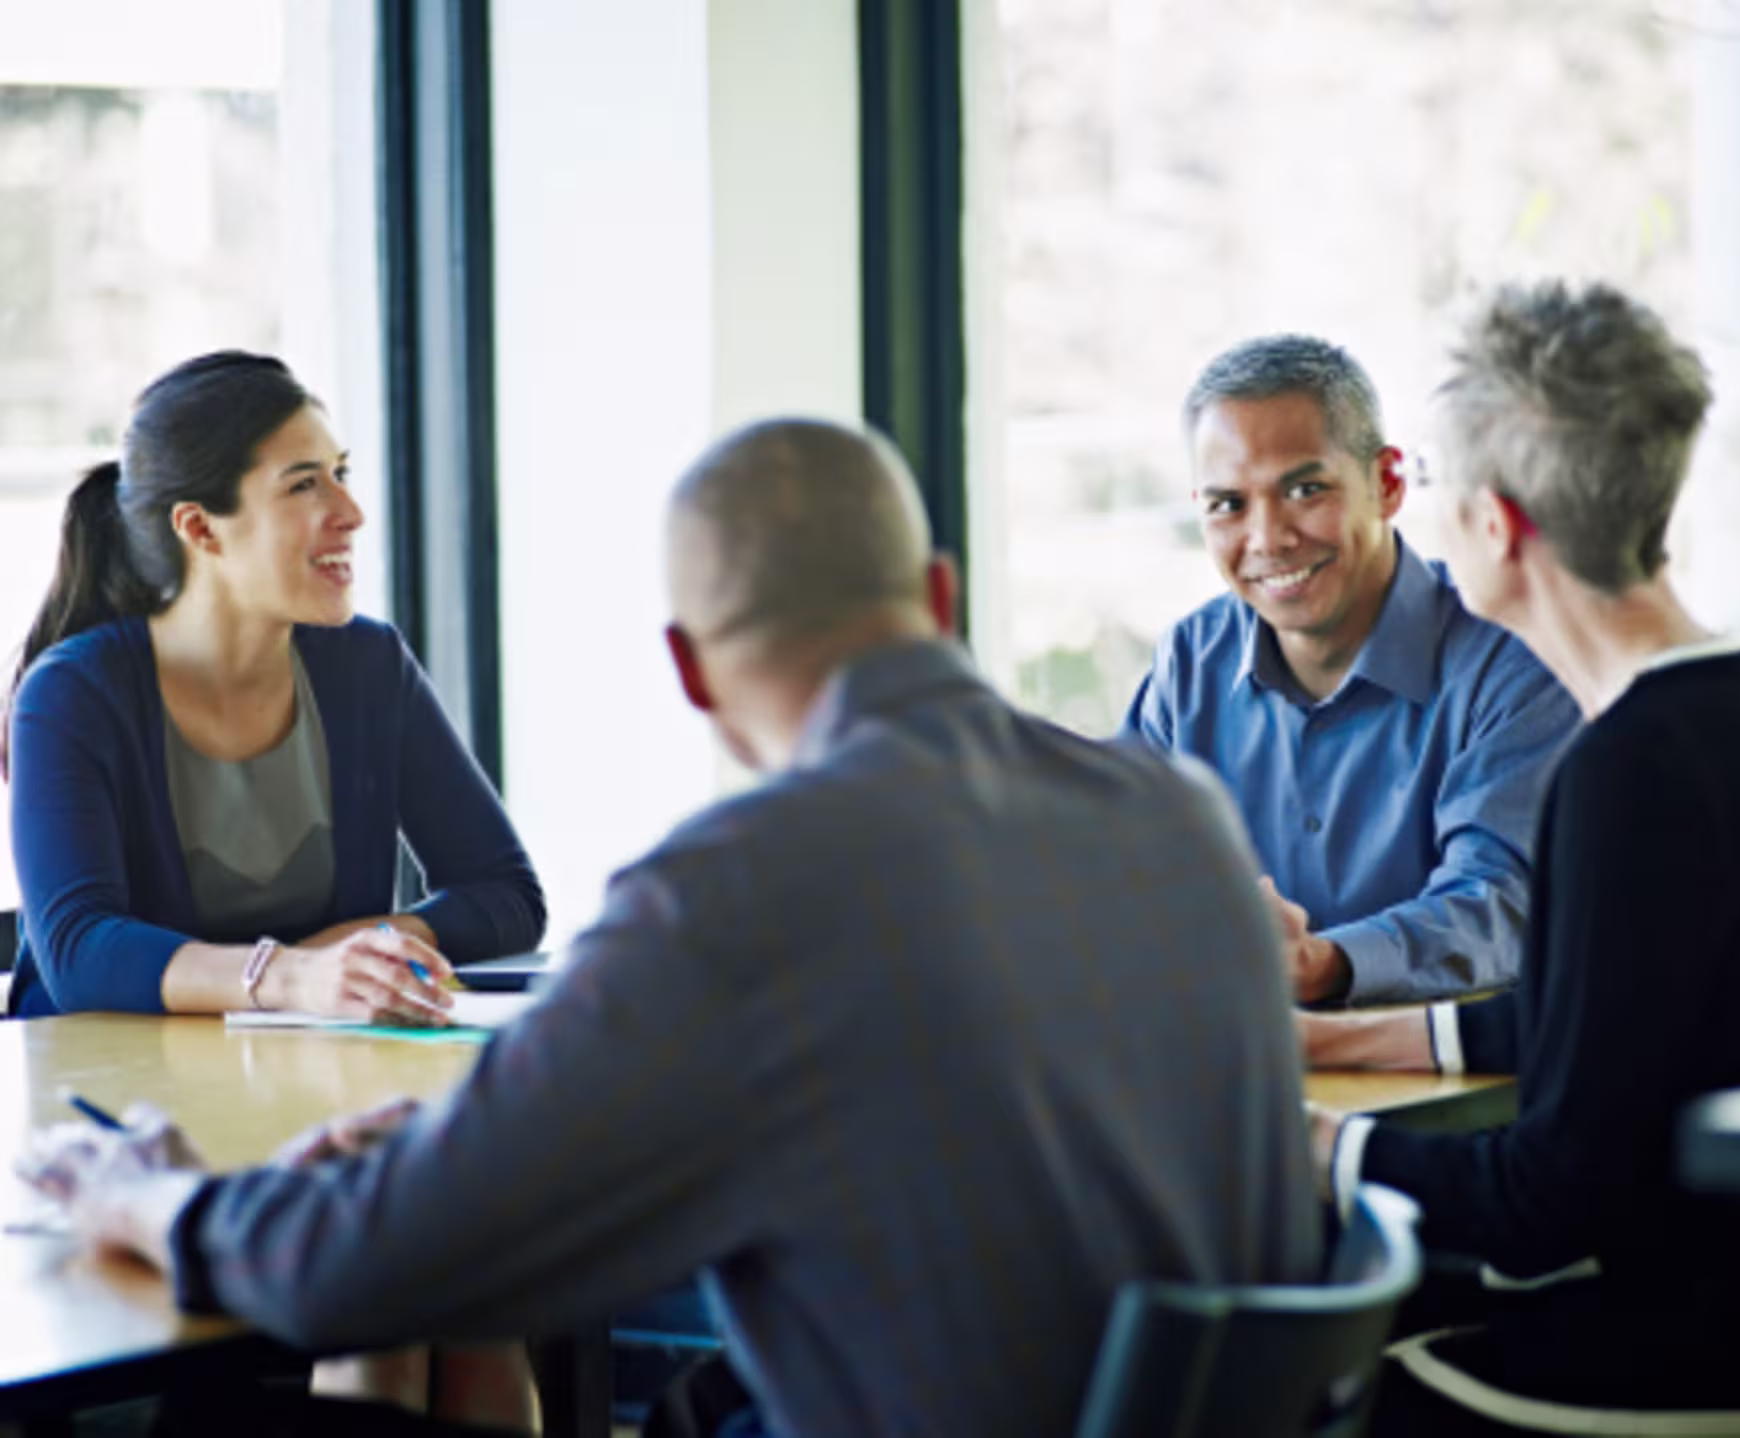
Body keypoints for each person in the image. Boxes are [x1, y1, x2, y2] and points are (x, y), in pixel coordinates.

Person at [19, 418, 1323, 1438]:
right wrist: (470, 1143)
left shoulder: (737, 891)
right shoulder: (1184, 818)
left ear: (690, 667)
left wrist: (150, 1194)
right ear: (939, 593)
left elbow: (359, 1271)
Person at [1299, 281, 1740, 1432]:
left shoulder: (1630, 770)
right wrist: (1334, 1040)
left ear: (1498, 525)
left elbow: (1547, 1203)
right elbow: (1614, 1024)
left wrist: (1309, 1142)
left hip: (1721, 1365)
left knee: (1305, 1379)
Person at [6, 352, 545, 1021]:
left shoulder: (369, 666)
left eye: (341, 474)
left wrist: (346, 956)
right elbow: (80, 951)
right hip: (107, 1076)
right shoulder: (72, 694)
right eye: (303, 485)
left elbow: (506, 895)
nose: (351, 512)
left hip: (303, 1064)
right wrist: (286, 976)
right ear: (199, 528)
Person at [1123, 335, 1579, 1004]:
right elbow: (1121, 873)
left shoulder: (1513, 658)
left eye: (1305, 490)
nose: (1268, 539)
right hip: (1243, 1061)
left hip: (1447, 1069)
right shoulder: (1189, 662)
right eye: (1228, 505)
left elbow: (1502, 904)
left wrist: (1326, 962)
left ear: (1387, 484)